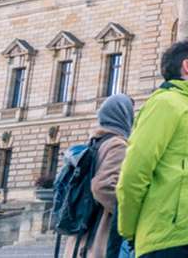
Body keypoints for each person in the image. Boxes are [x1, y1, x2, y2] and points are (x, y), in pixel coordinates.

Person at [117, 38, 188, 258]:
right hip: (169, 241)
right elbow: (134, 173)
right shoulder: (165, 103)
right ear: (187, 66)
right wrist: (129, 231)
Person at [63, 94, 134, 258]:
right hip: (101, 233)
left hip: (84, 232)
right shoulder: (117, 144)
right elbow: (103, 186)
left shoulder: (96, 142)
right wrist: (128, 213)